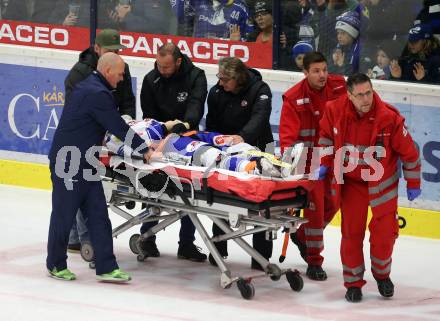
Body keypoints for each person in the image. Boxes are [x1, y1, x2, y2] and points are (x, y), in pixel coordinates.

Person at [47, 53, 154, 282]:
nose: (122, 77)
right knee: (64, 216)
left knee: (98, 215)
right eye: (120, 72)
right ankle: (55, 264)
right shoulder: (96, 92)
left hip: (86, 161)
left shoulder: (92, 87)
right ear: (107, 71)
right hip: (69, 161)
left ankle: (106, 267)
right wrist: (143, 148)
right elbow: (116, 125)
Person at [318, 73, 421, 302]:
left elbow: (410, 153)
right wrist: (324, 164)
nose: (366, 99)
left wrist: (414, 182)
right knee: (351, 234)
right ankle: (353, 283)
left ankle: (383, 276)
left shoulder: (389, 118)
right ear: (349, 95)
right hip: (352, 184)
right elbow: (324, 138)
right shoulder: (334, 110)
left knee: (384, 235)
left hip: (382, 185)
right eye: (360, 95)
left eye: (369, 92)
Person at [64, 29, 136, 253]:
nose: (116, 54)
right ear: (97, 49)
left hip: (109, 134)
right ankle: (82, 238)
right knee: (80, 183)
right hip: (84, 137)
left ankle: (77, 237)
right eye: (110, 50)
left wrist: (126, 119)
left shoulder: (120, 67)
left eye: (118, 50)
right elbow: (77, 111)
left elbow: (127, 100)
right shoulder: (79, 74)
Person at [279, 51, 346, 281]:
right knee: (315, 208)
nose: (322, 75)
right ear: (305, 72)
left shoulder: (338, 86)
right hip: (307, 159)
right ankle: (314, 260)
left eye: (325, 70)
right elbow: (287, 141)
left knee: (335, 203)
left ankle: (302, 236)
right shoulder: (293, 97)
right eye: (316, 71)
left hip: (333, 156)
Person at [139, 42, 208, 262]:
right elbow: (148, 115)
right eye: (159, 66)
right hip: (159, 140)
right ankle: (146, 238)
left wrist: (182, 127)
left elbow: (195, 108)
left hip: (187, 139)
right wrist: (160, 135)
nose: (163, 71)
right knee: (152, 185)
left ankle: (186, 243)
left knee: (189, 191)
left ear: (178, 61)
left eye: (167, 67)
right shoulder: (151, 79)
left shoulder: (196, 76)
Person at [206, 56, 273, 270]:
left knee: (262, 206)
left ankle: (261, 258)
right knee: (220, 197)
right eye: (219, 77)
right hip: (228, 151)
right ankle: (218, 247)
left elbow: (260, 118)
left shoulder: (260, 89)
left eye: (225, 79)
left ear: (239, 78)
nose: (221, 83)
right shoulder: (216, 92)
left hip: (260, 148)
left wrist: (242, 137)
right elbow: (211, 123)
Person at [105, 118, 285, 177]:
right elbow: (142, 156)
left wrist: (178, 124)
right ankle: (252, 168)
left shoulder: (133, 122)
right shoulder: (113, 138)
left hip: (177, 137)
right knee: (206, 153)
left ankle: (271, 161)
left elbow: (166, 125)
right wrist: (155, 150)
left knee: (227, 141)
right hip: (167, 148)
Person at [329, 11, 362, 75]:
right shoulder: (337, 48)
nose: (339, 36)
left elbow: (353, 77)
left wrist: (341, 67)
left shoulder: (359, 52)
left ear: (352, 34)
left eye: (343, 33)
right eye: (338, 33)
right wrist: (334, 64)